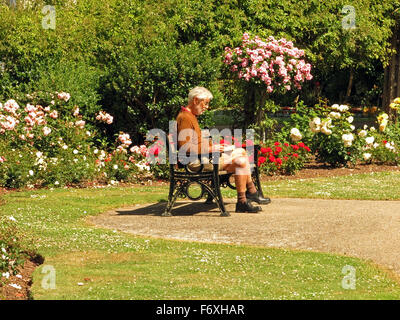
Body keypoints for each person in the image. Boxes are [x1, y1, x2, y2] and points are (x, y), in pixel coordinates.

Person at [176, 86, 271, 213]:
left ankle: (248, 195)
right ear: (195, 100)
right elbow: (185, 147)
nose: (207, 107)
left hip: (202, 159)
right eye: (206, 103)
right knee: (241, 161)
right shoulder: (185, 118)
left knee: (241, 153)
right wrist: (211, 148)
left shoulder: (190, 116)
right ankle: (246, 197)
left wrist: (216, 147)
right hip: (195, 163)